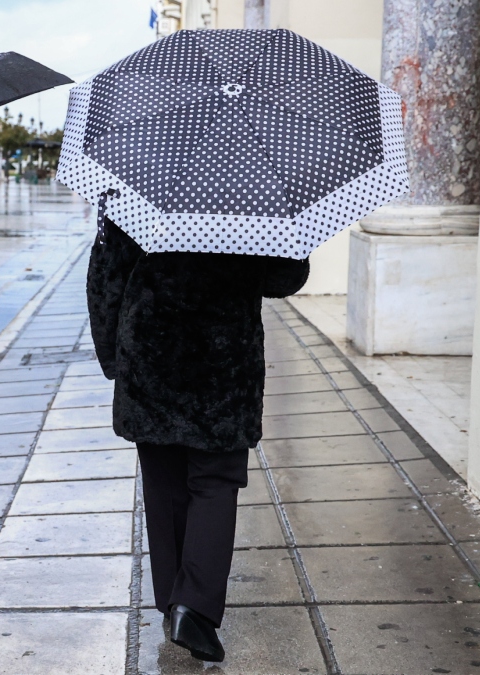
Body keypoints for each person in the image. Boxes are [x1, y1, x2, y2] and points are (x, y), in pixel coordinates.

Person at [86, 218, 310, 663]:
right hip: (223, 362)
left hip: (150, 353)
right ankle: (195, 607)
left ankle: (175, 603)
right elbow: (285, 277)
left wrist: (114, 358)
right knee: (216, 481)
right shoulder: (249, 193)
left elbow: (105, 276)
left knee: (163, 481)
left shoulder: (140, 183)